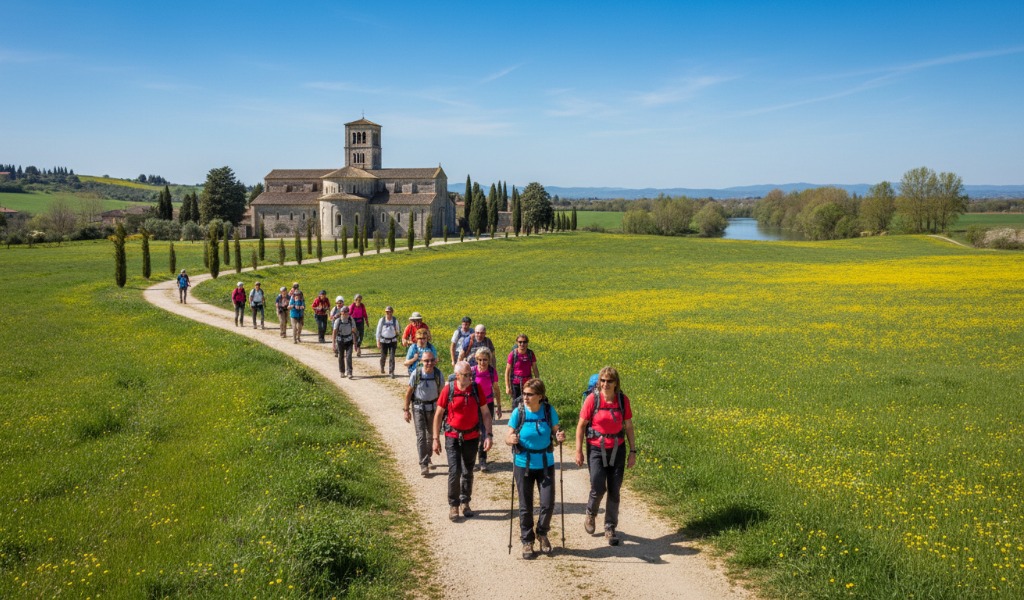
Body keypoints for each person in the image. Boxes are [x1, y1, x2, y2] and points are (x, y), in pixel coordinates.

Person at [574, 366, 636, 546]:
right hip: (596, 449)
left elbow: (629, 426)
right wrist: (578, 451)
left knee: (615, 490)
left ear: (616, 383)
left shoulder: (622, 400)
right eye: (602, 380)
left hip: (618, 448)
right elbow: (581, 426)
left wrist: (633, 451)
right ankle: (591, 513)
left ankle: (610, 527)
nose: (605, 384)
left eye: (609, 381)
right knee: (598, 486)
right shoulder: (592, 400)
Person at [506, 378, 565, 559]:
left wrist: (559, 436)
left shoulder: (548, 411)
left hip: (545, 463)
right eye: (524, 394)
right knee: (525, 506)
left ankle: (542, 532)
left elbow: (556, 430)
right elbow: (508, 436)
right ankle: (527, 540)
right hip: (522, 463)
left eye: (529, 394)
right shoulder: (519, 412)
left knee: (548, 503)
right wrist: (511, 439)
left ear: (540, 396)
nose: (525, 397)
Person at [433, 361, 493, 522]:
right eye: (465, 375)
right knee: (455, 471)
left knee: (468, 471)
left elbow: (486, 413)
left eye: (470, 375)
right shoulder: (448, 390)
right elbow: (438, 414)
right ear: (457, 375)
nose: (468, 378)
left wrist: (488, 435)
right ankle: (453, 504)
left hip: (472, 437)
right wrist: (435, 439)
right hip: (452, 436)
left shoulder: (476, 389)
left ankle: (465, 502)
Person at [404, 350, 443, 477]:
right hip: (418, 408)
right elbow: (409, 393)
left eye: (431, 360)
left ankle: (427, 457)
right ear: (421, 362)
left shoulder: (438, 374)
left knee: (431, 435)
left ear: (435, 361)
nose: (429, 363)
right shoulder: (416, 373)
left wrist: (443, 412)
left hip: (433, 409)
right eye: (426, 361)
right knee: (421, 436)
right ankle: (423, 464)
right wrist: (406, 410)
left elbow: (442, 394)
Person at [471, 348, 502, 472]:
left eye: (485, 360)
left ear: (489, 360)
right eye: (480, 360)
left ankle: (482, 460)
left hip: (488, 405)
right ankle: (471, 460)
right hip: (474, 405)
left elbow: (496, 389)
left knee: (485, 433)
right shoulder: (472, 371)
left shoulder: (492, 372)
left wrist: (499, 406)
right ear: (476, 359)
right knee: (473, 433)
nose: (482, 362)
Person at [506, 334, 540, 408]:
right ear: (517, 342)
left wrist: (538, 382)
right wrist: (507, 387)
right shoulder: (513, 354)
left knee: (528, 402)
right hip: (515, 383)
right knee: (516, 404)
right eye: (520, 342)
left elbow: (535, 368)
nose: (522, 344)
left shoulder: (530, 354)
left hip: (528, 383)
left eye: (524, 342)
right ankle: (516, 415)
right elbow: (507, 371)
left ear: (527, 343)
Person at [332, 305, 356, 379]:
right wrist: (333, 344)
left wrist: (355, 343)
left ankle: (349, 372)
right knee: (341, 356)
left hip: (349, 341)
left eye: (347, 312)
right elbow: (334, 332)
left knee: (349, 357)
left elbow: (354, 331)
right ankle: (342, 372)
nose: (345, 314)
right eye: (344, 312)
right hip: (340, 341)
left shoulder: (351, 320)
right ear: (341, 312)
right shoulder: (338, 321)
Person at [375, 306, 400, 377]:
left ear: (392, 312)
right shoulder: (382, 320)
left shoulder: (395, 320)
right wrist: (378, 341)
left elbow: (398, 330)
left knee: (392, 357)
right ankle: (382, 366)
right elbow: (378, 331)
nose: (388, 313)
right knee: (383, 356)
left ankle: (391, 372)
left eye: (389, 312)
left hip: (393, 341)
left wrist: (396, 334)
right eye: (387, 312)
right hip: (383, 341)